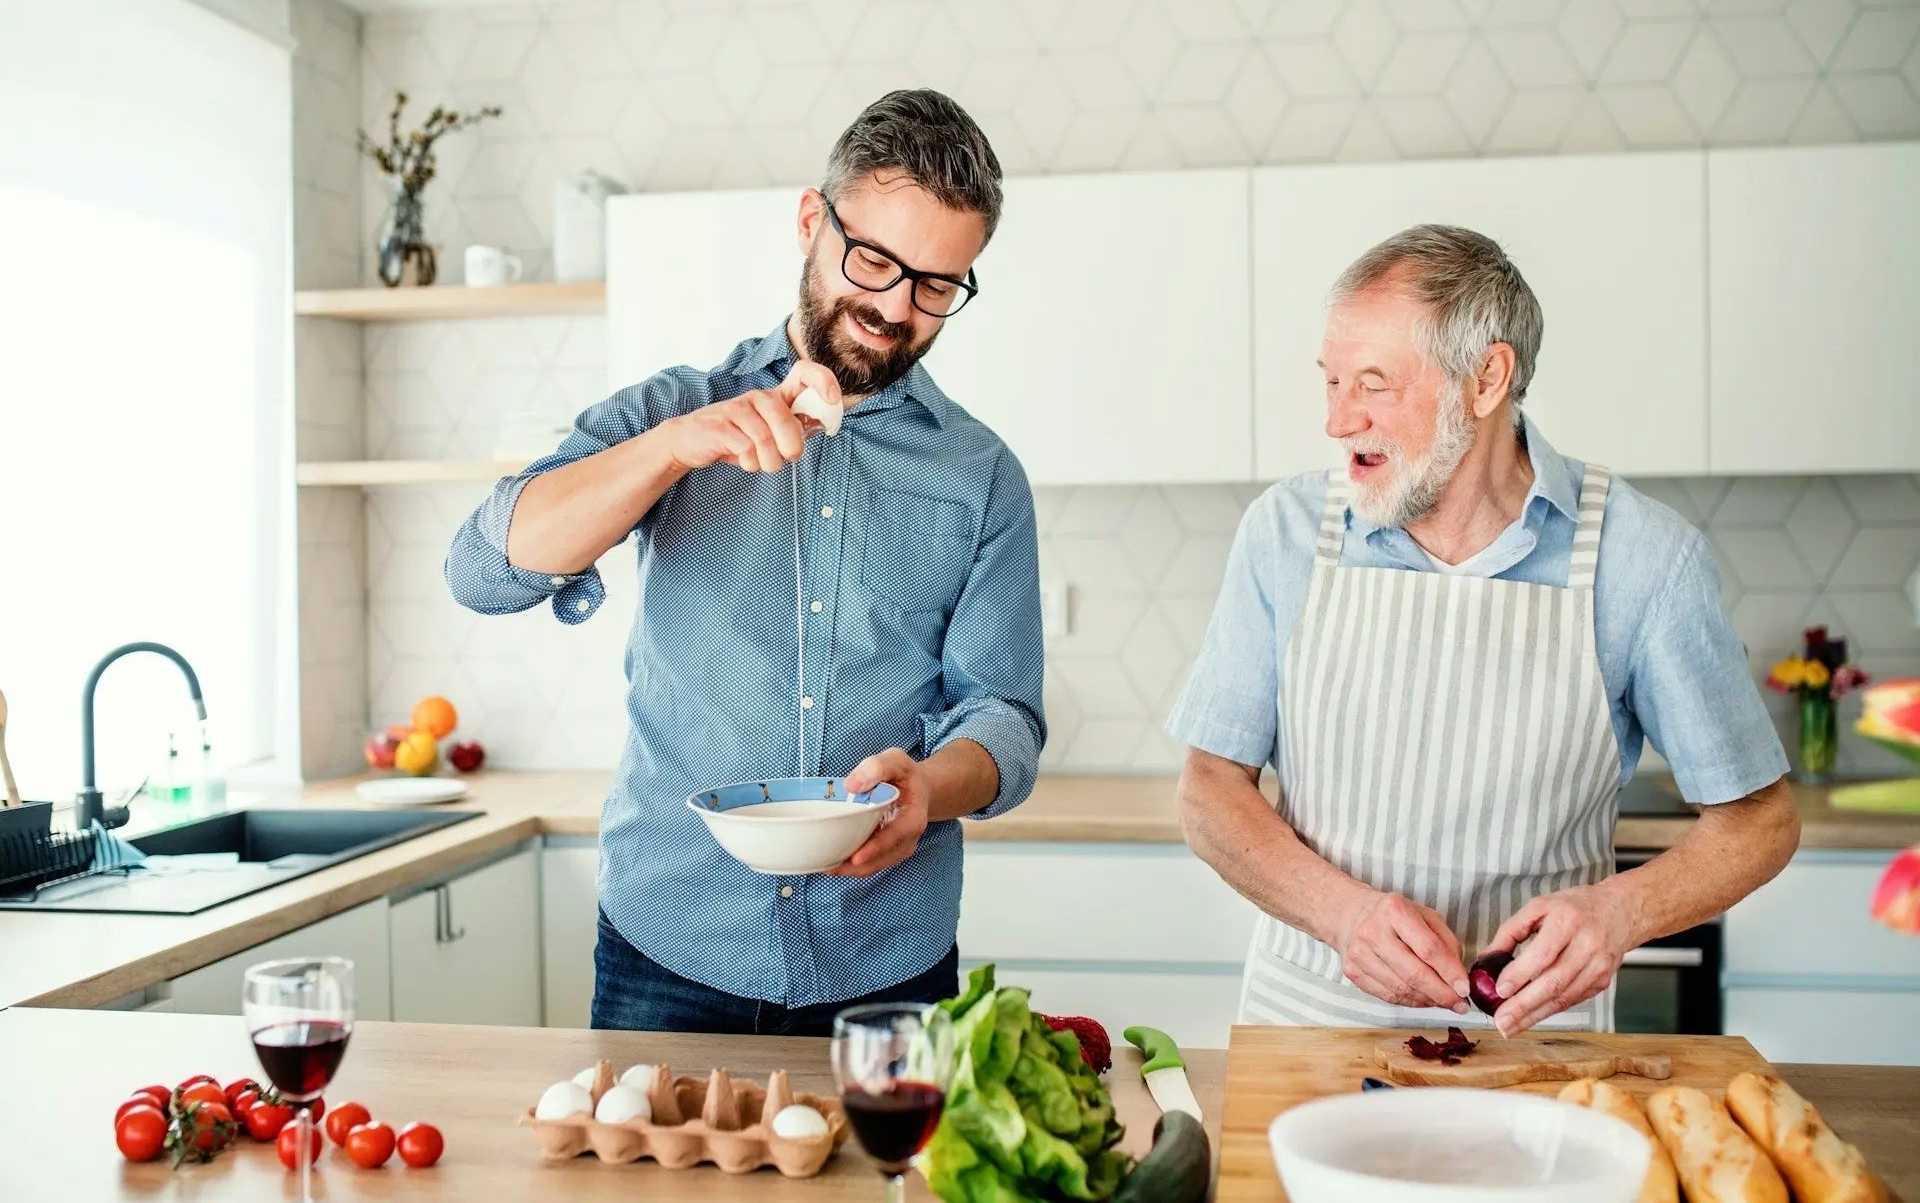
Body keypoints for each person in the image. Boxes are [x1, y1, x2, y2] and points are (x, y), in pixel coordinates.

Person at [444, 89, 1044, 1035]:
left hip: (890, 960)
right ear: (813, 220)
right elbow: (482, 573)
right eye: (876, 261)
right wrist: (671, 451)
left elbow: (1004, 716)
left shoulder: (981, 474)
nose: (896, 308)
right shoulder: (673, 413)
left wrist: (931, 787)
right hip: (667, 947)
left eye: (936, 285)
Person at [1168, 224, 1800, 1035]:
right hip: (1309, 1025)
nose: (1337, 420)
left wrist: (1620, 911)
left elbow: (1762, 819)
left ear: (1487, 378)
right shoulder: (1284, 533)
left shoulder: (1643, 559)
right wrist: (1341, 915)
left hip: (1535, 1042)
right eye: (1330, 381)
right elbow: (1208, 789)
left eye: (1373, 384)